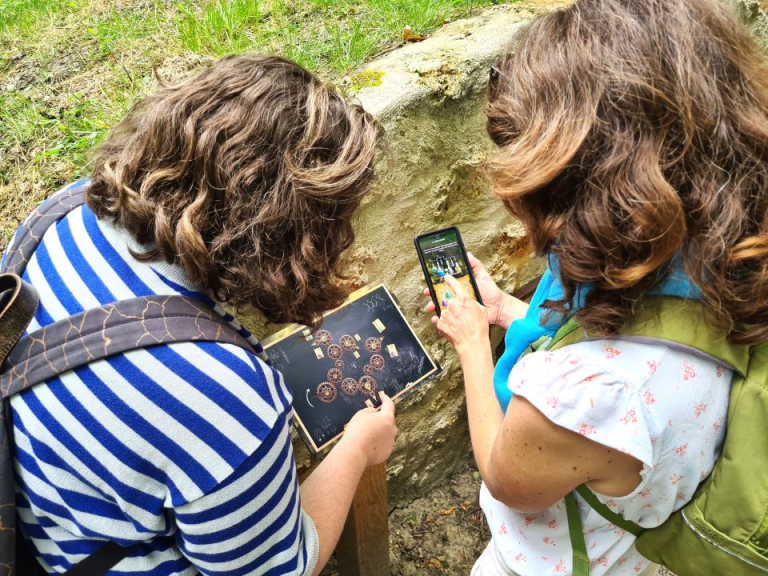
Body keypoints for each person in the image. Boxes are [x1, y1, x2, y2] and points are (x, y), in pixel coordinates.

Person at [5, 55, 396, 575]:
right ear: (294, 228)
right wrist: (359, 447)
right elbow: (282, 568)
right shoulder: (223, 394)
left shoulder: (62, 212)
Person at [424, 0, 768, 574]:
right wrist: (507, 310)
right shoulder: (726, 258)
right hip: (635, 528)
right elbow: (627, 326)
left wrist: (470, 347)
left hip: (552, 557)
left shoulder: (586, 398)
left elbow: (505, 478)